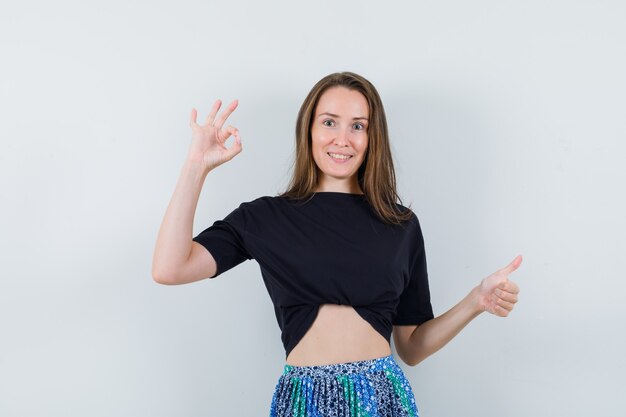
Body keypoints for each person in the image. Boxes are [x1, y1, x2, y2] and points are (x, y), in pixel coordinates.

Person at [152, 71, 521, 417]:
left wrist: (476, 302)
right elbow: (170, 268)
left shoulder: (399, 225)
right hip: (302, 400)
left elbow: (411, 346)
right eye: (329, 122)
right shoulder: (264, 218)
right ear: (309, 129)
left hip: (381, 397)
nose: (342, 139)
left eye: (357, 126)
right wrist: (195, 167)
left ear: (371, 137)